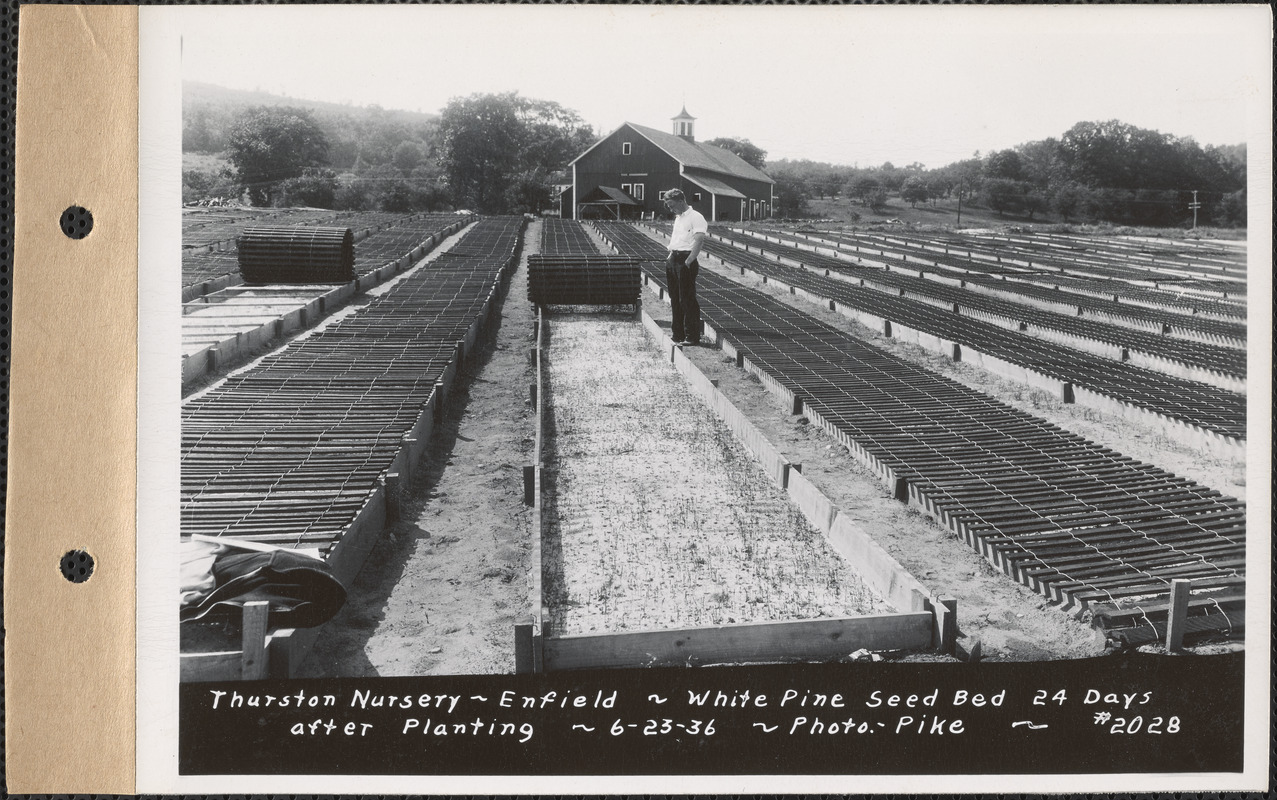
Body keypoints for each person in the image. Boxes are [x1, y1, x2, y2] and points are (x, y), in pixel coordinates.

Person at [662, 188, 707, 346]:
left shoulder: (696, 217)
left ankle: (692, 337)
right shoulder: (678, 218)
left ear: (681, 201)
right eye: (668, 205)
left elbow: (699, 240)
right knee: (675, 298)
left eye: (671, 204)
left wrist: (689, 261)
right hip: (673, 259)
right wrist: (670, 258)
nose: (670, 208)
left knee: (686, 299)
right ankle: (677, 334)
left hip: (685, 260)